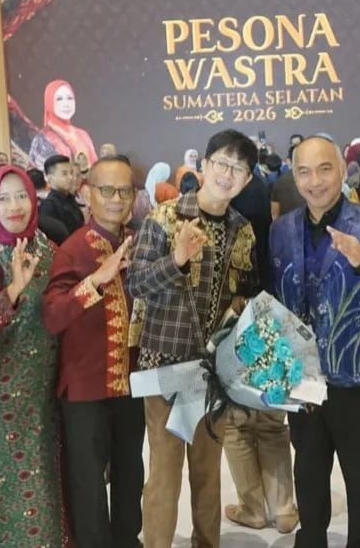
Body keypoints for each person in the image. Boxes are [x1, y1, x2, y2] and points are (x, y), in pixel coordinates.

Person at [270, 135, 360, 548]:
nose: (315, 181)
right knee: (308, 472)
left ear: (341, 171)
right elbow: (277, 300)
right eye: (304, 172)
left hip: (359, 375)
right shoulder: (281, 230)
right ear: (294, 176)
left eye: (324, 169)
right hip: (302, 376)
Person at [128, 129, 259, 548]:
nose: (227, 174)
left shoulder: (242, 230)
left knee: (207, 471)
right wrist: (177, 259)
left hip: (212, 371)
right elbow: (136, 283)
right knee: (164, 474)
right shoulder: (164, 218)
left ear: (247, 180)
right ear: (204, 165)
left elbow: (244, 294)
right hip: (165, 367)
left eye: (238, 169)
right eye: (222, 163)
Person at [43, 156, 143, 548]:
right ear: (87, 193)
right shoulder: (73, 249)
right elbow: (53, 316)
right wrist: (96, 282)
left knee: (130, 473)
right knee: (88, 484)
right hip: (85, 388)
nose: (116, 199)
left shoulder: (138, 242)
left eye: (124, 190)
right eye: (107, 190)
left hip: (130, 384)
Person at [0, 166, 67, 548]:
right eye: (3, 198)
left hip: (49, 388)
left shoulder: (48, 247)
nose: (14, 206)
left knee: (51, 480)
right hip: (7, 395)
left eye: (21, 195)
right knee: (17, 489)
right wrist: (12, 291)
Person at [221, 167, 298, 535]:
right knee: (271, 423)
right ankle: (284, 510)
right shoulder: (278, 232)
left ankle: (252, 509)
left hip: (236, 322)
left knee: (235, 424)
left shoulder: (228, 223)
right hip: (276, 317)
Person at [28, 79, 97, 171]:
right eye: (59, 99)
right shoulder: (43, 139)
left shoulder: (83, 135)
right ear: (49, 102)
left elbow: (96, 169)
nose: (66, 104)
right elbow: (41, 174)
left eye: (69, 98)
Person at [38, 154, 85, 240]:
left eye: (71, 173)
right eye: (64, 174)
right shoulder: (49, 206)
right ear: (50, 178)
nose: (71, 177)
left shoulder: (71, 199)